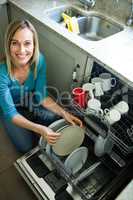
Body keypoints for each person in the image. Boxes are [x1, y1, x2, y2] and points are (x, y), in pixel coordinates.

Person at [0, 20, 83, 153]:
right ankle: (30, 123)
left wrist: (64, 112)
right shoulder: (1, 73)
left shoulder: (39, 61)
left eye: (27, 43)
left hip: (27, 99)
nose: (22, 50)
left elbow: (41, 96)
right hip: (8, 111)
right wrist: (40, 129)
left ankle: (30, 120)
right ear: (8, 45)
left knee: (52, 117)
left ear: (34, 45)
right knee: (26, 147)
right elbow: (11, 114)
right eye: (15, 43)